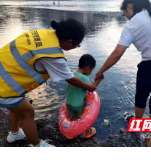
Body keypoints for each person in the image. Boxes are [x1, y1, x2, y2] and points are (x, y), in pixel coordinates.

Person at [95, 0, 151, 147]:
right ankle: (150, 139)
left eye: (125, 13)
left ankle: (138, 123)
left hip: (150, 67)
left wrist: (101, 71)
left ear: (130, 6)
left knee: (141, 96)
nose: (126, 17)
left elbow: (117, 54)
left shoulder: (132, 24)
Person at [0, 18, 97, 147]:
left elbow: (42, 61)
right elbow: (71, 79)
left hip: (5, 72)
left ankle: (15, 133)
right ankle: (37, 145)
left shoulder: (42, 34)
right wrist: (89, 86)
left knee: (17, 107)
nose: (76, 47)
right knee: (27, 111)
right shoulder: (54, 55)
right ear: (69, 42)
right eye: (77, 45)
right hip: (4, 85)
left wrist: (64, 70)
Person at [66, 54, 102, 139]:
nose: (91, 72)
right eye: (92, 70)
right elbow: (91, 88)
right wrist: (98, 80)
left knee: (74, 117)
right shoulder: (84, 78)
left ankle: (71, 134)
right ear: (88, 68)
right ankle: (88, 133)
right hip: (78, 104)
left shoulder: (71, 74)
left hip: (68, 103)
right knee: (84, 119)